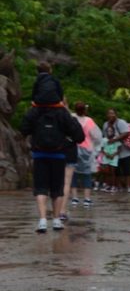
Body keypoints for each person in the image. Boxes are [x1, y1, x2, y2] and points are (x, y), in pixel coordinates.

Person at [20, 93, 85, 232]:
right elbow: (79, 136)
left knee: (40, 188)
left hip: (39, 154)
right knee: (57, 188)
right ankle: (56, 220)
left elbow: (23, 129)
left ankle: (42, 220)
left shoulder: (35, 111)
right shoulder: (63, 114)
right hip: (59, 155)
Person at [70, 102, 101, 208]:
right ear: (85, 110)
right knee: (87, 174)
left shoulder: (71, 118)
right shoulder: (89, 121)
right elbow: (97, 136)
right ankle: (87, 199)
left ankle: (74, 198)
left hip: (73, 147)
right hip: (87, 149)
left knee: (73, 172)